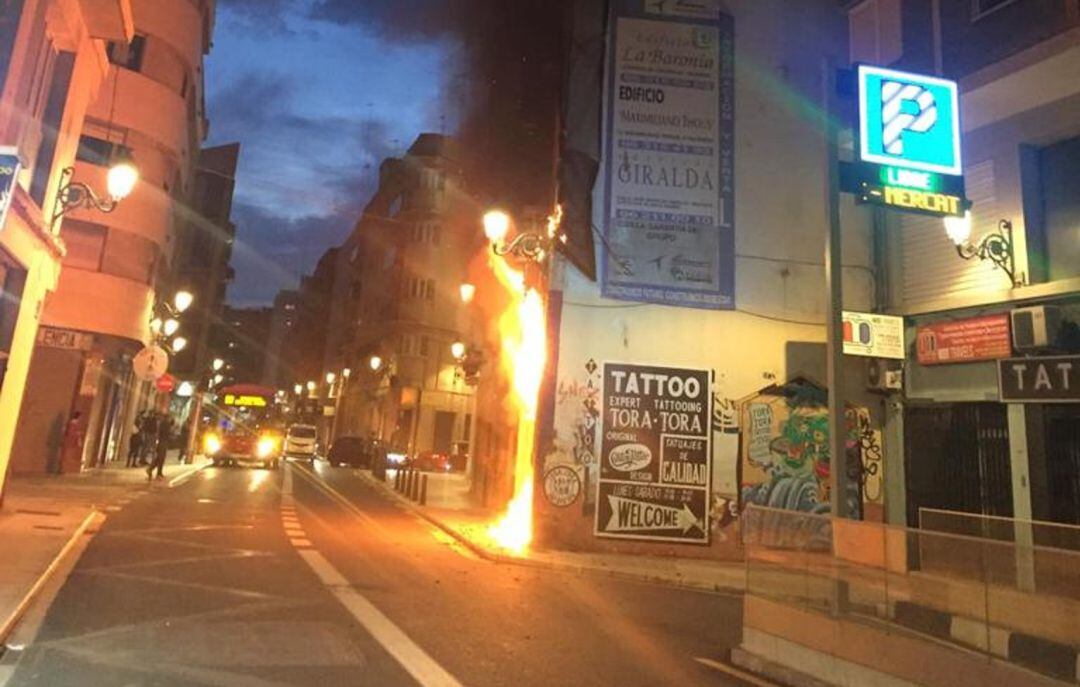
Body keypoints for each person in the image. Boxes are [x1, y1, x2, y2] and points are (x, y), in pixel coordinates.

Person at [147, 413, 170, 480]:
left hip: (162, 442)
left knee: (160, 458)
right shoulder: (165, 424)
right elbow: (165, 434)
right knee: (160, 458)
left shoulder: (162, 424)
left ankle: (157, 472)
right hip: (162, 442)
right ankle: (152, 470)